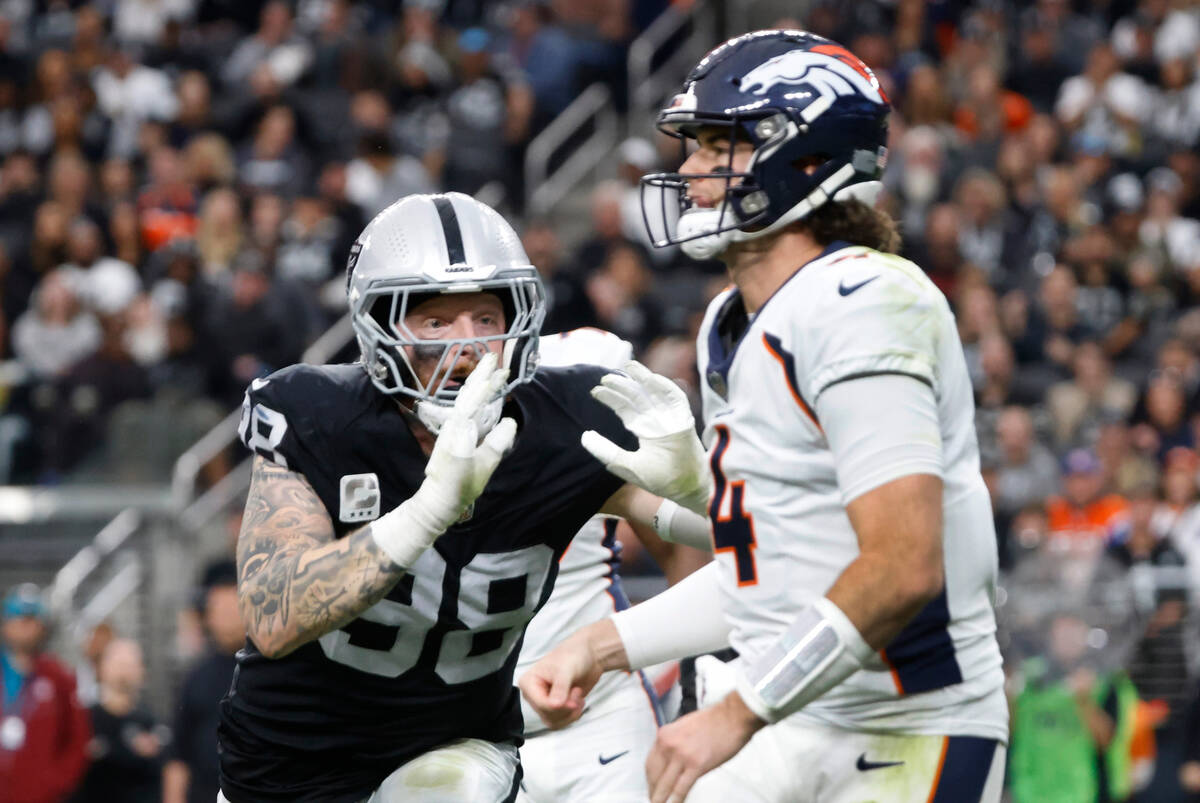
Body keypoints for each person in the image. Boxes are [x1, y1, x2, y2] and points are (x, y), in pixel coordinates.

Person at [521, 30, 1008, 803]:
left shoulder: (866, 300)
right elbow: (766, 583)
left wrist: (741, 710)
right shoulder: (729, 321)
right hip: (780, 716)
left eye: (720, 144)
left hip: (901, 727)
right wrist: (603, 643)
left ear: (808, 158)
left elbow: (902, 565)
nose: (689, 170)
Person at [216, 192, 672, 802]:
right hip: (287, 766)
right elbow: (273, 616)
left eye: (488, 318)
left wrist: (701, 488)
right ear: (379, 328)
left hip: (455, 747)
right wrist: (426, 512)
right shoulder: (321, 418)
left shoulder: (563, 423)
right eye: (436, 321)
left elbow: (745, 541)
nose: (469, 347)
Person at [516, 327, 712, 803]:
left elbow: (704, 541)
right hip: (465, 724)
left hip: (598, 712)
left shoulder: (588, 449)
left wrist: (686, 660)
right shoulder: (397, 455)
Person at [0, 583, 91, 803]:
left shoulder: (58, 677)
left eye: (33, 622)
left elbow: (77, 739)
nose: (27, 628)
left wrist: (54, 783)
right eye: (20, 620)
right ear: (5, 624)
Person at [163, 561, 242, 803]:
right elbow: (178, 755)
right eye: (219, 609)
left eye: (234, 607)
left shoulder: (270, 669)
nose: (227, 616)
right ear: (208, 617)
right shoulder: (196, 678)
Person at [71, 639, 168, 803]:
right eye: (118, 664)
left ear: (142, 671)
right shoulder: (84, 721)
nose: (124, 671)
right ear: (102, 668)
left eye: (130, 665)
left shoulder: (153, 725)